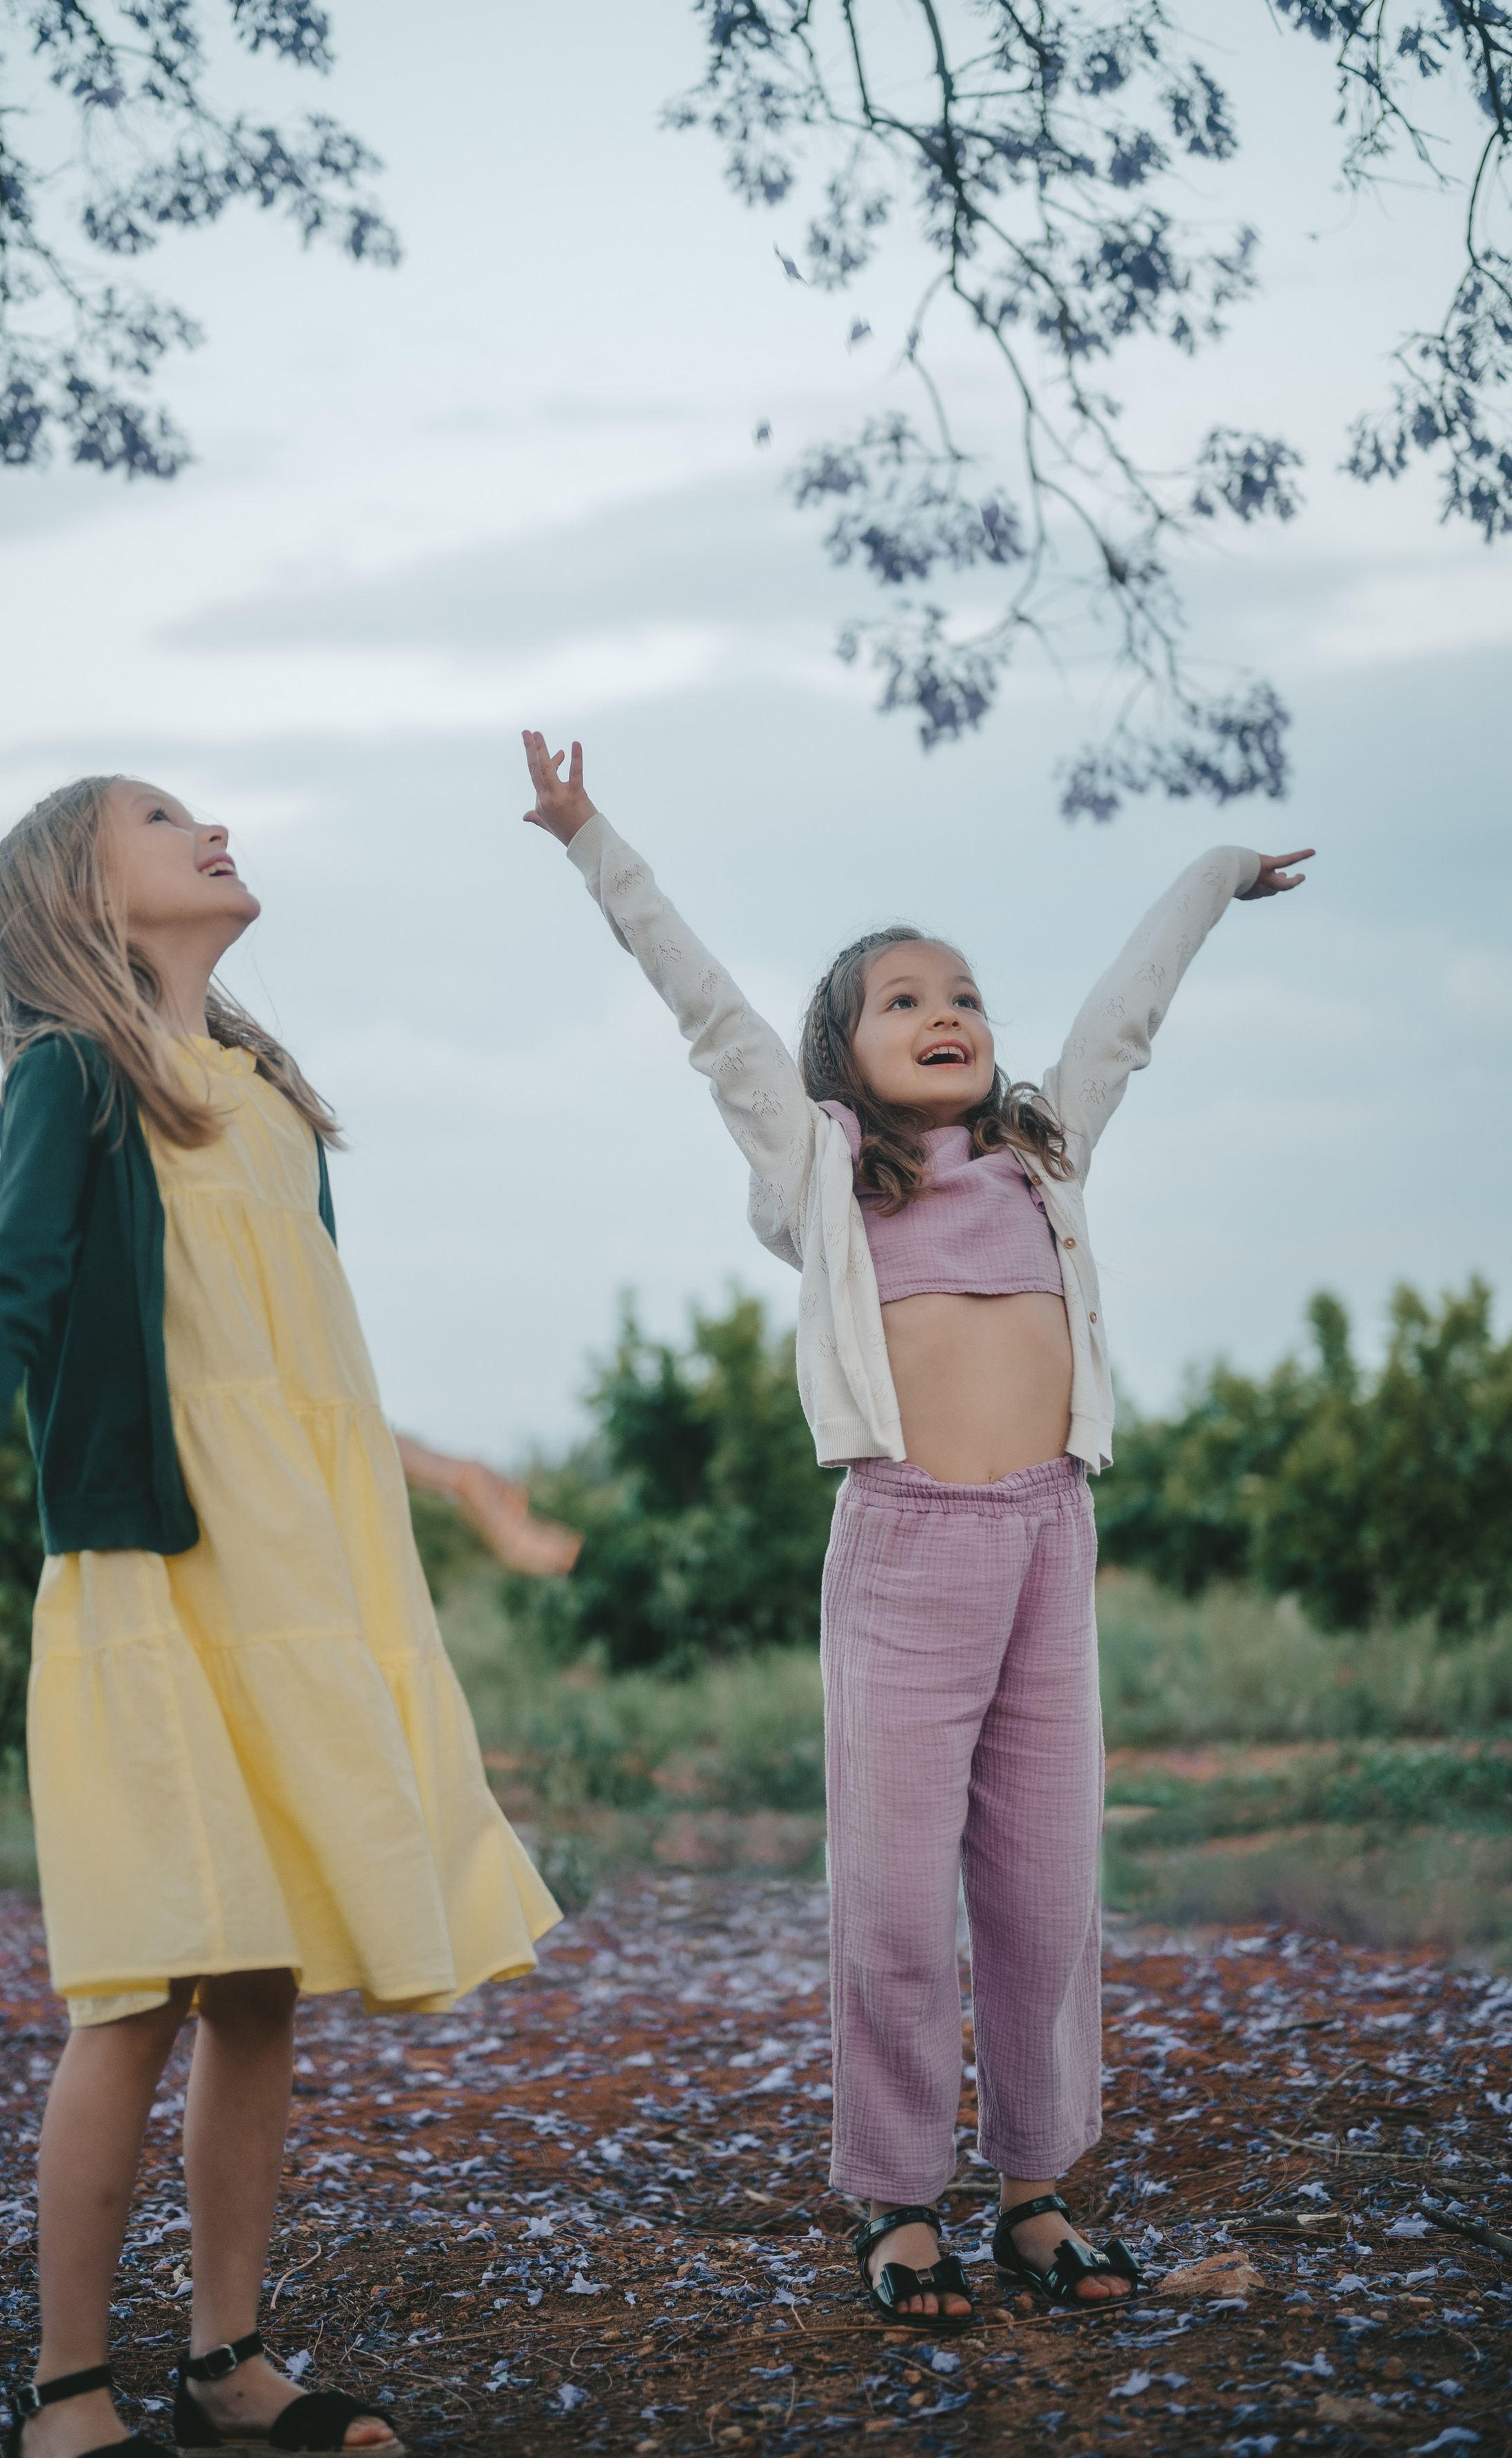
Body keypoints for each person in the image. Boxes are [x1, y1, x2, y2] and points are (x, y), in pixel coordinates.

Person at [520, 728, 1311, 2321]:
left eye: (961, 995)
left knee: (1040, 1888)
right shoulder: (817, 1168)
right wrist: (587, 832)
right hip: (903, 1547)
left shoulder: (1041, 1155)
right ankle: (894, 2201)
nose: (944, 1012)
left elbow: (1123, 1023)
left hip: (1045, 1540)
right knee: (891, 1903)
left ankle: (1032, 2190)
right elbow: (700, 1007)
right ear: (841, 1053)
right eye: (903, 998)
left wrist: (1210, 878)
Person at [0, 776, 572, 2458]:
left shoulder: (269, 1098)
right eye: (160, 818)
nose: (210, 824)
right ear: (75, 899)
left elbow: (284, 1358)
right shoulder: (78, 1077)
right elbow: (5, 1288)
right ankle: (67, 2393)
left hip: (298, 1575)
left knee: (260, 1982)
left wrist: (443, 1470)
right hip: (161, 1586)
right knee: (147, 1982)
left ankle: (228, 2359)